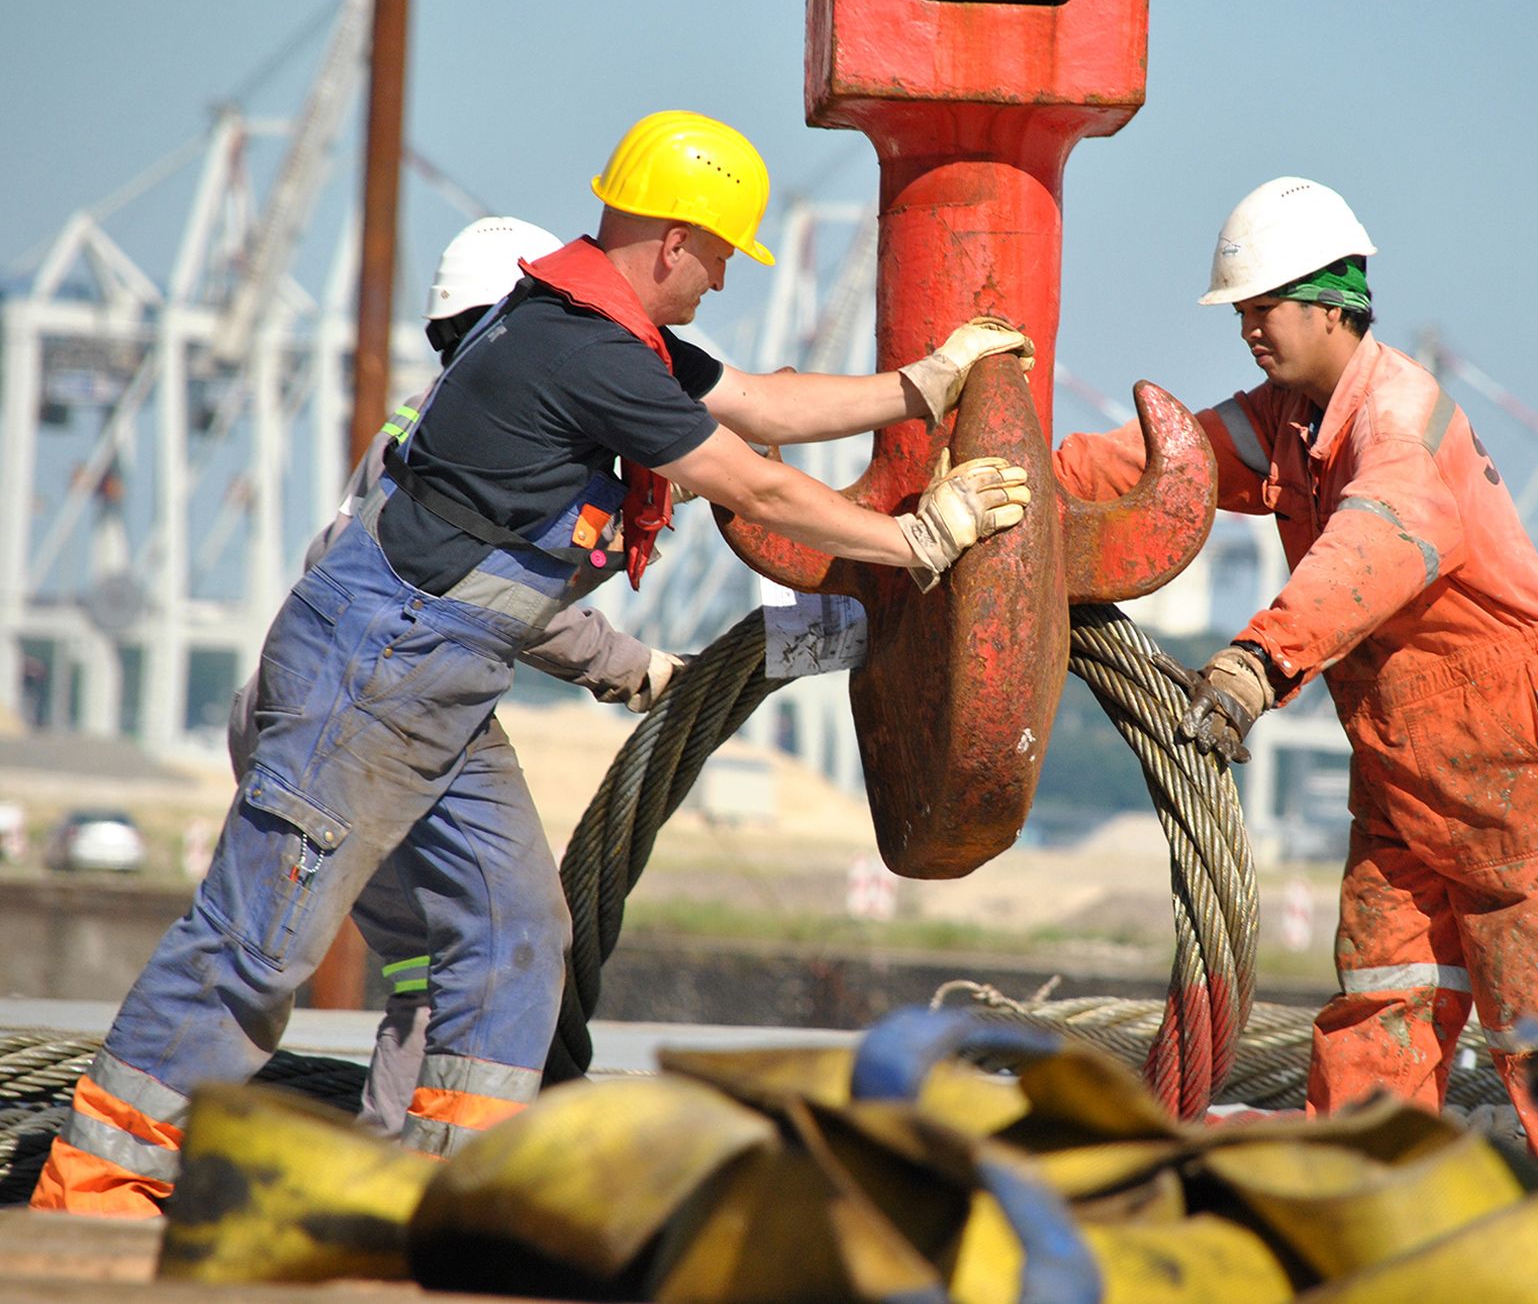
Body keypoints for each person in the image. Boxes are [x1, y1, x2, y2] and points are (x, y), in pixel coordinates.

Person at [33, 109, 1034, 1215]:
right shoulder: (579, 349)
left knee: (516, 931)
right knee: (258, 944)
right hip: (376, 664)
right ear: (670, 241)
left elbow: (754, 400)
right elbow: (748, 478)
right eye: (716, 257)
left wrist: (921, 383)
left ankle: (449, 1202)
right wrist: (913, 540)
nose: (718, 280)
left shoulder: (590, 329)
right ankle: (99, 1189)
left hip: (442, 677)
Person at [1052, 176, 1538, 1186]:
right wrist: (1020, 481)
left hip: (1515, 747)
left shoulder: (1394, 422)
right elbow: (1166, 462)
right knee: (1381, 992)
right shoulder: (1288, 422)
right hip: (1402, 753)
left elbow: (1373, 542)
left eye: (1263, 306)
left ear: (1332, 304)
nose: (1247, 328)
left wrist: (1254, 660)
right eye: (1238, 310)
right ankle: (1358, 1199)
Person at [221, 213, 684, 1143]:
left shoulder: (434, 418)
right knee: (484, 948)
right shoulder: (503, 439)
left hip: (304, 701)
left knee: (426, 972)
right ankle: (429, 1180)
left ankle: (399, 1163)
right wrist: (630, 666)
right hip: (386, 715)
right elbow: (502, 597)